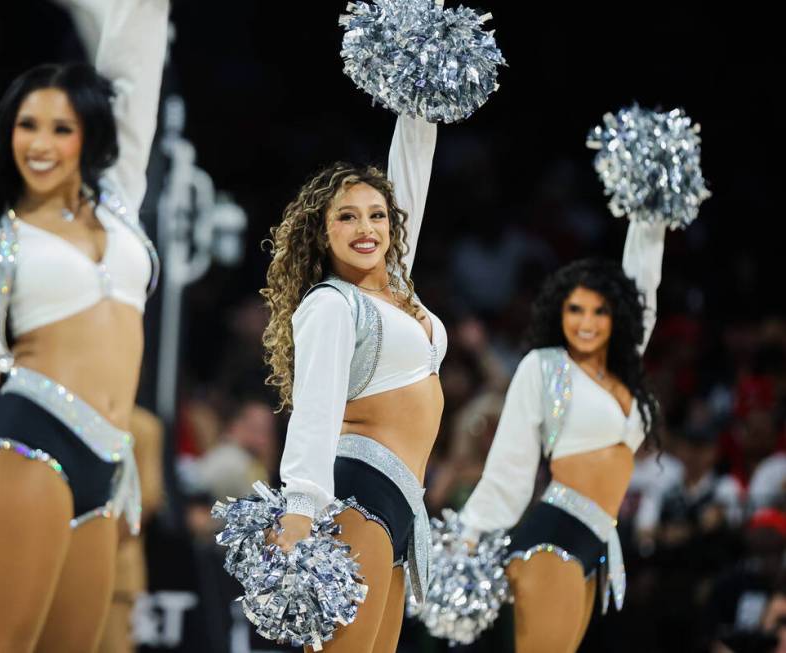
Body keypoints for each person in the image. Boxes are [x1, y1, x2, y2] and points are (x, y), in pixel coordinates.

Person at [0, 1, 169, 650]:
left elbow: (137, 58)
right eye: (27, 126)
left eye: (61, 129)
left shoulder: (118, 201)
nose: (40, 144)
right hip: (22, 449)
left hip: (107, 459)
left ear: (91, 136)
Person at [261, 112, 441, 652]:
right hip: (359, 494)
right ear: (323, 230)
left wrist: (418, 110)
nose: (366, 229)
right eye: (347, 217)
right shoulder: (332, 303)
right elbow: (314, 407)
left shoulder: (399, 290)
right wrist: (301, 506)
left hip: (403, 501)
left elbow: (412, 175)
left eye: (377, 216)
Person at [458, 220, 669, 652]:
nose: (586, 322)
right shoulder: (544, 366)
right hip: (552, 540)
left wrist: (651, 220)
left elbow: (645, 282)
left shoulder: (622, 371)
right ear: (559, 311)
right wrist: (469, 536)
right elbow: (510, 462)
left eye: (599, 310)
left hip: (594, 541)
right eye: (575, 309)